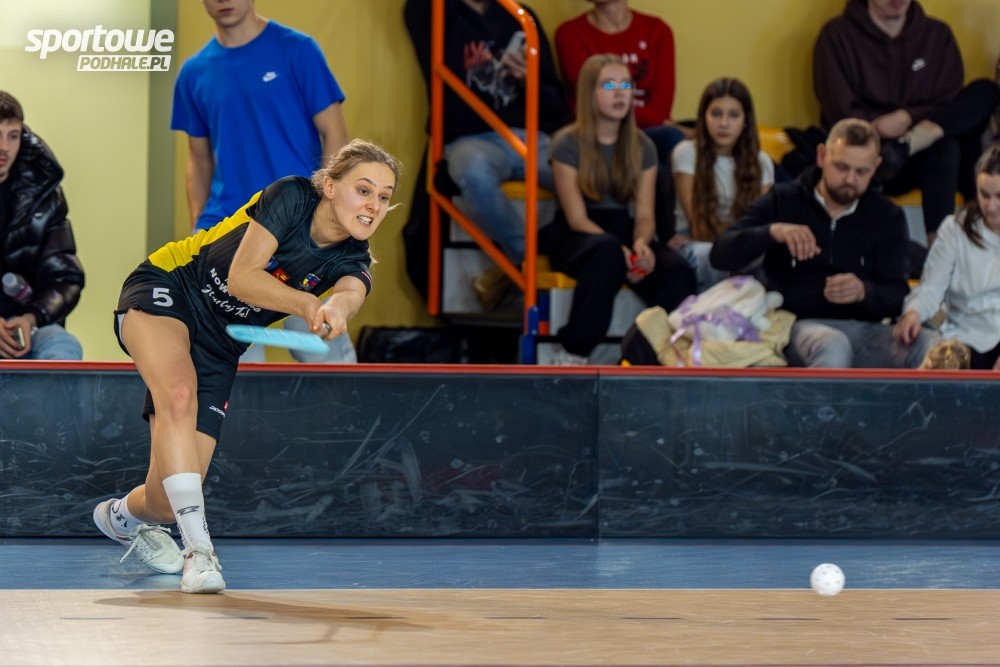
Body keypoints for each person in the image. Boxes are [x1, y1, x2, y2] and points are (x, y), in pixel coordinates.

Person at [92, 140, 401, 593]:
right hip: (171, 286)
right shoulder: (291, 195)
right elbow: (241, 278)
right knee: (178, 393)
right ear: (332, 187)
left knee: (166, 501)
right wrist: (307, 304)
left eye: (384, 197)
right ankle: (199, 553)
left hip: (220, 342)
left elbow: (350, 292)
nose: (374, 205)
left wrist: (336, 309)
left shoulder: (353, 256)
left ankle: (121, 517)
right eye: (364, 190)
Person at [172, 0, 355, 363]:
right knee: (231, 366)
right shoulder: (193, 72)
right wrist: (202, 229)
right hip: (230, 230)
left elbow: (335, 135)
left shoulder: (298, 50)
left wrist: (328, 215)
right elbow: (199, 158)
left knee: (327, 360)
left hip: (300, 227)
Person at [710, 118, 937, 369]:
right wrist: (773, 232)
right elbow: (720, 253)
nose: (850, 179)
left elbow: (897, 295)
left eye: (861, 171)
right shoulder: (783, 199)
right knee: (832, 344)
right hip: (795, 325)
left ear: (876, 167)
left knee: (934, 346)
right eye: (841, 167)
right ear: (821, 156)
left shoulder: (887, 215)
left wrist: (864, 292)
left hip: (865, 330)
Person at [540, 54, 695, 365]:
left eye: (626, 84)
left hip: (624, 229)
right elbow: (576, 218)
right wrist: (621, 251)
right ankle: (573, 353)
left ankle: (648, 356)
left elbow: (645, 214)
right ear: (589, 92)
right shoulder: (566, 143)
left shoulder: (643, 145)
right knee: (607, 253)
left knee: (677, 271)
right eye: (609, 85)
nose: (621, 93)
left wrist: (640, 246)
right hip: (578, 233)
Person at [813, 0, 1000, 246]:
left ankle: (940, 250)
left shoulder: (937, 34)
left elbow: (948, 102)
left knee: (955, 137)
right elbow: (840, 109)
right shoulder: (837, 35)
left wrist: (907, 117)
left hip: (919, 153)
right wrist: (878, 130)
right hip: (865, 156)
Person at [403, 0, 569, 268]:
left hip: (531, 139)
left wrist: (528, 79)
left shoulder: (520, 16)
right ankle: (531, 263)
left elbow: (556, 105)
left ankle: (595, 255)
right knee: (473, 169)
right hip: (471, 139)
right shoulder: (434, 11)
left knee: (588, 169)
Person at [893, 144, 1000, 370]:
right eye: (985, 195)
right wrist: (913, 312)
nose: (991, 206)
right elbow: (930, 288)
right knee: (942, 360)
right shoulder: (955, 228)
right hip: (966, 337)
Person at [0, 91, 84, 361]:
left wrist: (31, 318)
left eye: (13, 136)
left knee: (64, 348)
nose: (4, 147)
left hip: (28, 324)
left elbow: (65, 277)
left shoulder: (45, 195)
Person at [669, 77, 774, 293]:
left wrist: (746, 240)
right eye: (716, 114)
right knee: (707, 255)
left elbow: (760, 225)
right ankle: (714, 313)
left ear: (746, 120)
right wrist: (742, 239)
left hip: (741, 245)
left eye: (733, 115)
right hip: (696, 240)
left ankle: (756, 311)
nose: (724, 123)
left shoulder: (762, 161)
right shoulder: (686, 153)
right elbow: (698, 224)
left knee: (769, 256)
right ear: (703, 117)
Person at [555, 0, 688, 169]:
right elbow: (594, 96)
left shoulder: (657, 30)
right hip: (599, 131)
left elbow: (661, 107)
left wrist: (665, 124)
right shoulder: (570, 34)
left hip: (650, 130)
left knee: (674, 144)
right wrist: (668, 124)